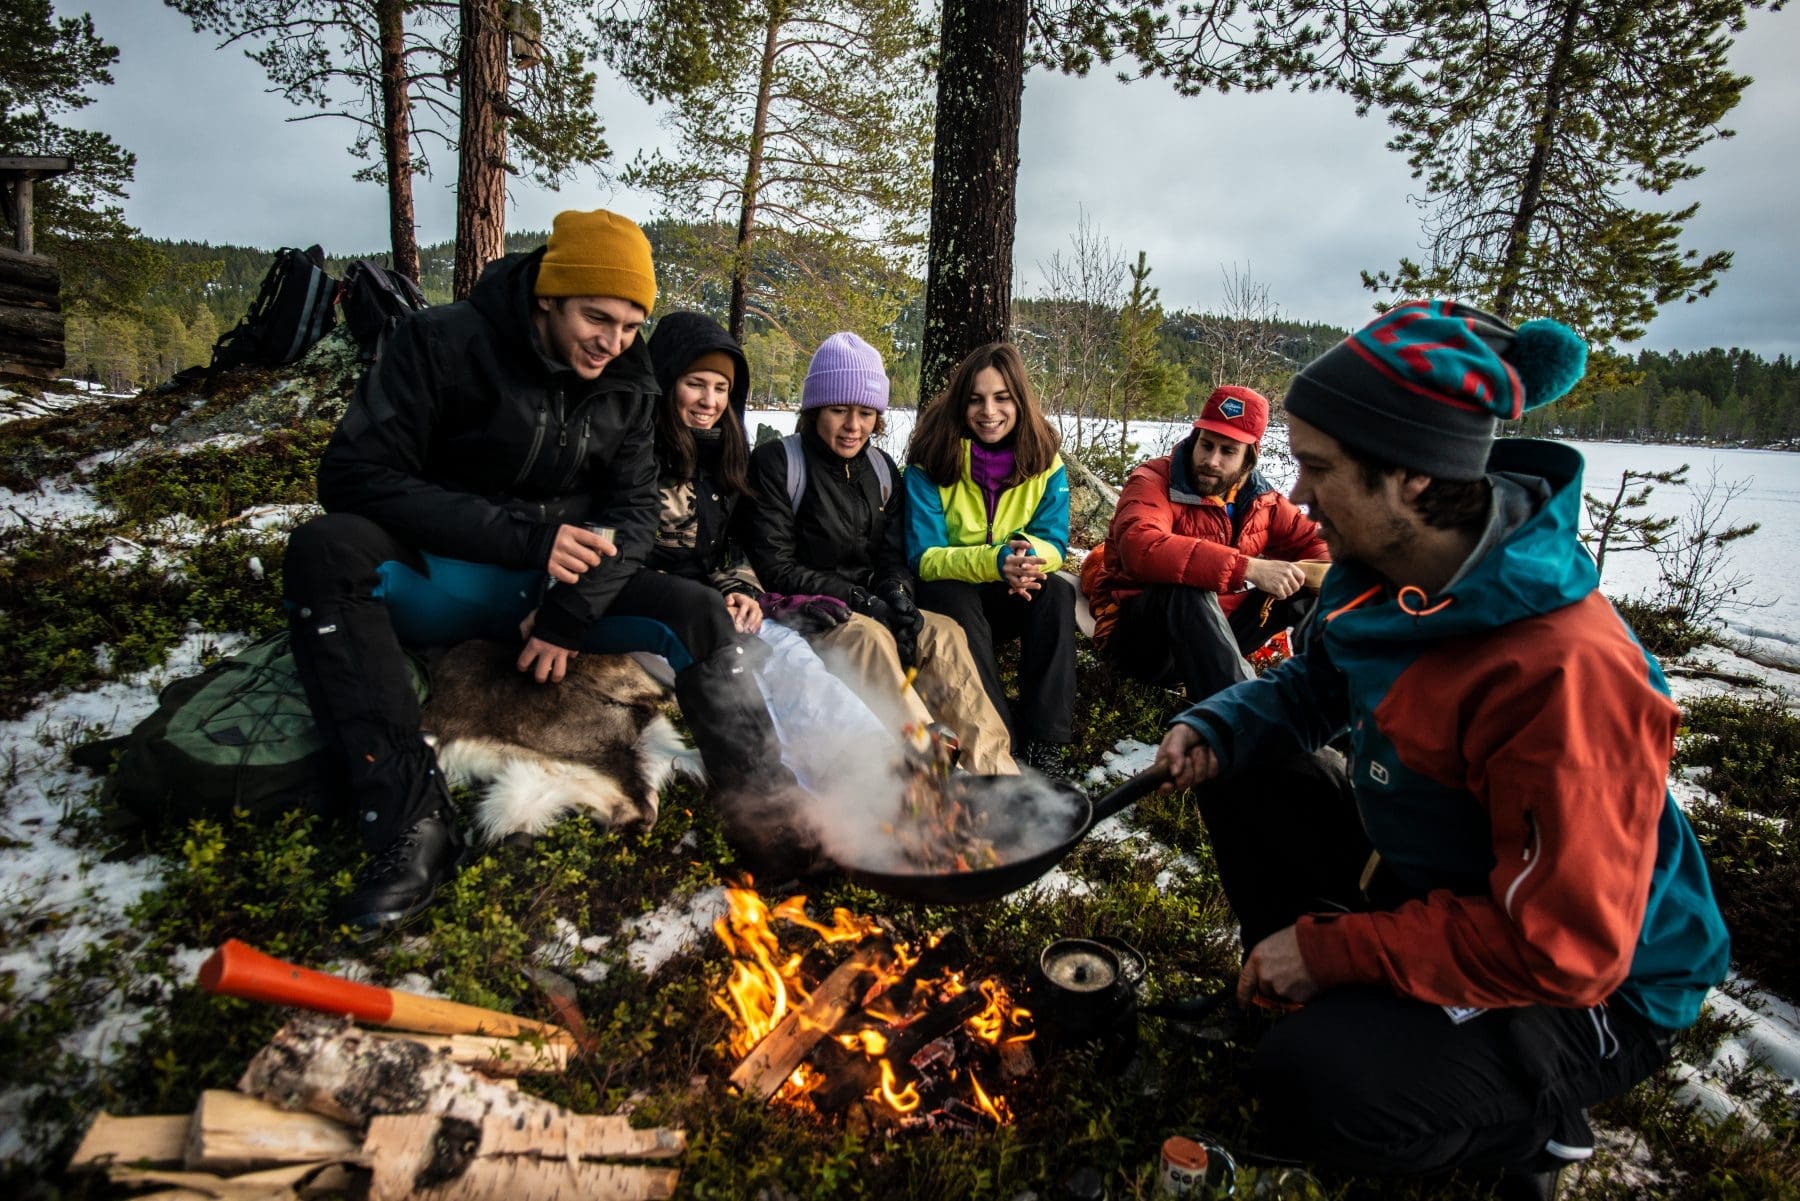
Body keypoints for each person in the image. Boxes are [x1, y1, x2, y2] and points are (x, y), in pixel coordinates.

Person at [1152, 301, 1730, 1199]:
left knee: (1312, 1086)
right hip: (1451, 889)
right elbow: (1314, 687)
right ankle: (1347, 1004)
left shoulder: (1564, 674)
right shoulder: (1377, 571)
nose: (1298, 496)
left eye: (1319, 468)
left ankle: (1531, 1127)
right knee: (1248, 761)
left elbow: (1567, 949)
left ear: (1414, 480)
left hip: (1592, 985)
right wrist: (1217, 726)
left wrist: (1335, 952)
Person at [284, 210, 801, 933]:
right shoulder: (443, 343)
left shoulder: (630, 381)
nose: (613, 341)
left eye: (630, 325)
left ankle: (770, 818)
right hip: (444, 575)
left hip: (554, 593)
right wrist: (525, 535)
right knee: (324, 551)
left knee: (696, 610)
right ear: (549, 295)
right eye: (597, 317)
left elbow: (634, 516)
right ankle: (410, 822)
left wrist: (570, 614)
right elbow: (351, 475)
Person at [744, 332, 1016, 775]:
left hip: (870, 603)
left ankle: (996, 773)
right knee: (869, 639)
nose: (853, 425)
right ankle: (932, 776)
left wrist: (898, 594)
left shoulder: (881, 469)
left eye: (866, 413)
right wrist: (857, 601)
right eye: (839, 411)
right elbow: (776, 567)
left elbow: (892, 555)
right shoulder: (779, 464)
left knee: (943, 633)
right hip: (810, 613)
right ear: (814, 411)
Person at [1081, 385, 1328, 702]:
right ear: (1194, 438)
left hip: (1216, 636)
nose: (1211, 460)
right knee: (1182, 586)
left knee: (1309, 592)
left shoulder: (1262, 500)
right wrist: (1248, 567)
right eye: (1206, 445)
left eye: (1228, 451)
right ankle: (1242, 723)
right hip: (1141, 641)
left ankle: (1331, 710)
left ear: (1248, 459)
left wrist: (1319, 575)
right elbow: (1140, 547)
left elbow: (1316, 541)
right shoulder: (1153, 479)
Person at [903, 342, 1077, 775]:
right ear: (961, 404)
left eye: (1002, 398)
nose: (989, 411)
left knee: (1054, 593)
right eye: (976, 399)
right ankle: (1004, 740)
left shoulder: (1045, 462)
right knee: (953, 595)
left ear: (1019, 400)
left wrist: (1025, 558)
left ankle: (1046, 743)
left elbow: (1055, 541)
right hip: (950, 595)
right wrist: (996, 561)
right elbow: (924, 557)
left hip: (1008, 587)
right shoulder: (931, 459)